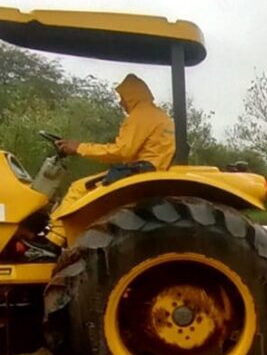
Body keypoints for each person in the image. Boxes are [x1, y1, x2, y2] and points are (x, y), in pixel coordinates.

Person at [42, 74, 175, 251]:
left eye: (122, 98)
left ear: (132, 96)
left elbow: (122, 151)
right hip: (149, 170)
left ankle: (53, 241)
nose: (121, 103)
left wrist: (79, 148)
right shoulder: (160, 115)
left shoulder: (141, 115)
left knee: (78, 188)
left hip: (139, 171)